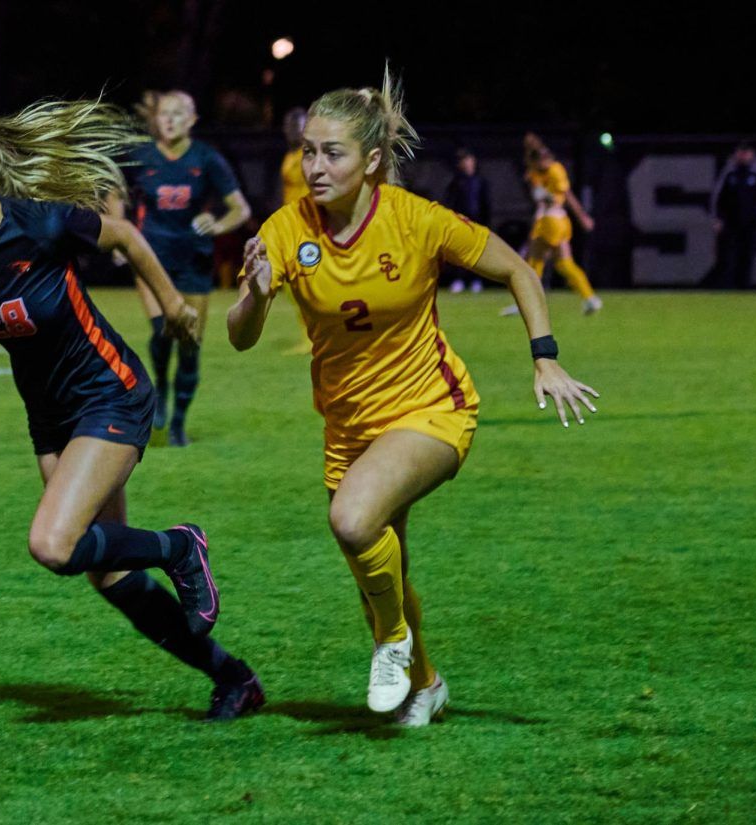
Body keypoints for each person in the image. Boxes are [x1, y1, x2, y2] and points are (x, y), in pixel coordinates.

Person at [0, 100, 264, 721]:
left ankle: (179, 547)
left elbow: (129, 238)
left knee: (54, 545)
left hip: (110, 391)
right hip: (50, 418)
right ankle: (233, 678)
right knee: (106, 573)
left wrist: (175, 310)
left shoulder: (40, 223)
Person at [227, 70, 598, 726]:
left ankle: (393, 644)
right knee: (380, 572)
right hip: (349, 428)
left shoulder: (416, 220)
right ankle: (424, 682)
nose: (313, 165)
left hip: (433, 409)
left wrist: (545, 357)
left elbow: (516, 267)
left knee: (351, 520)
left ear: (372, 162)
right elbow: (240, 337)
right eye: (308, 150)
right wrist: (255, 293)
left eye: (331, 152)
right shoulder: (288, 229)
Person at [121, 91, 251, 446]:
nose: (170, 120)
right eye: (165, 113)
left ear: (193, 120)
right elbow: (115, 192)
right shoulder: (142, 157)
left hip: (194, 259)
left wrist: (217, 224)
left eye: (179, 114)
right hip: (152, 258)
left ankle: (178, 423)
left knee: (190, 342)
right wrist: (119, 231)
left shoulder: (207, 159)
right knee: (164, 329)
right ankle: (160, 388)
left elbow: (240, 209)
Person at [501, 133, 601, 316]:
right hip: (560, 221)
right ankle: (590, 298)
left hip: (550, 221)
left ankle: (525, 305)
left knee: (533, 263)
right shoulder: (540, 171)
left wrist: (581, 216)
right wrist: (582, 217)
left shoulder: (550, 171)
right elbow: (565, 195)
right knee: (564, 264)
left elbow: (555, 198)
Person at [710, 142, 756, 290]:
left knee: (747, 256)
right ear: (736, 154)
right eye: (741, 152)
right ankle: (728, 288)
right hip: (730, 222)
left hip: (750, 222)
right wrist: (717, 219)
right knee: (728, 257)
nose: (743, 155)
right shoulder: (729, 173)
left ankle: (744, 288)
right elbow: (718, 198)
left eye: (746, 152)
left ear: (752, 154)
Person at [277, 106, 314, 355]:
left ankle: (314, 338)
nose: (292, 130)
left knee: (304, 282)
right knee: (291, 283)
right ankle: (310, 335)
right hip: (293, 226)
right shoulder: (291, 155)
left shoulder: (311, 155)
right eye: (289, 126)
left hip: (310, 225)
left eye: (297, 126)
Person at [441, 147, 490, 294]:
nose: (466, 163)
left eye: (468, 160)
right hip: (461, 221)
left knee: (477, 252)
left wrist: (486, 222)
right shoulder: (456, 181)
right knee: (459, 253)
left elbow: (486, 203)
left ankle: (476, 280)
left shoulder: (480, 181)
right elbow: (449, 202)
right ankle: (459, 280)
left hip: (478, 222)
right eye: (463, 161)